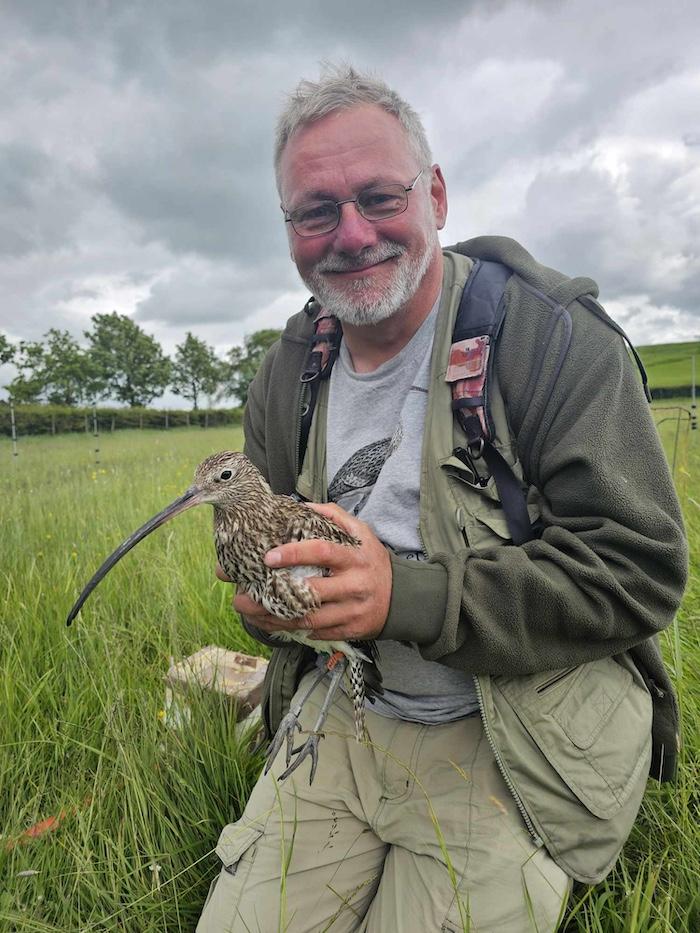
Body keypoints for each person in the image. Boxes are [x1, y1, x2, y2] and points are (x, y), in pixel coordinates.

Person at [196, 66, 687, 932]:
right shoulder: (286, 375)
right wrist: (265, 611)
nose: (351, 234)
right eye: (316, 211)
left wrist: (404, 596)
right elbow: (263, 585)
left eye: (380, 197)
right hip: (345, 710)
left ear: (437, 194)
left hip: (507, 725)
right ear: (289, 230)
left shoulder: (549, 340)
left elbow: (639, 571)